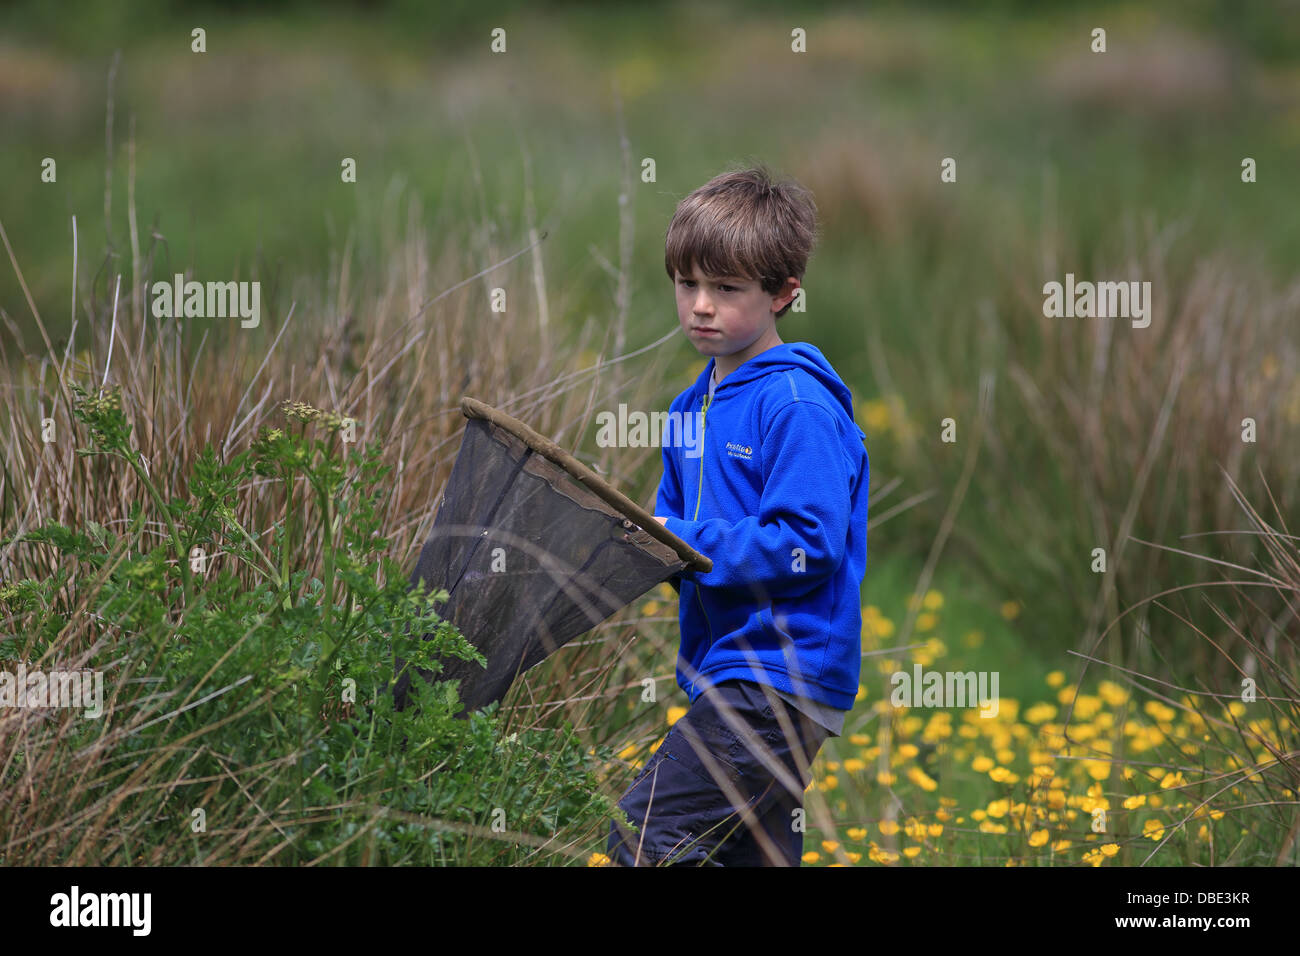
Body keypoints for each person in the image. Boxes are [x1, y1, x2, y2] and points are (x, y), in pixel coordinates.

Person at [606, 165, 870, 866]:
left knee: (647, 837)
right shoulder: (690, 408)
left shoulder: (796, 405)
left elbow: (808, 544)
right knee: (745, 855)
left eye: (726, 290)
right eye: (688, 283)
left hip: (780, 676)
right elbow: (673, 541)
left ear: (784, 293)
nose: (700, 306)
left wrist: (682, 542)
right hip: (726, 671)